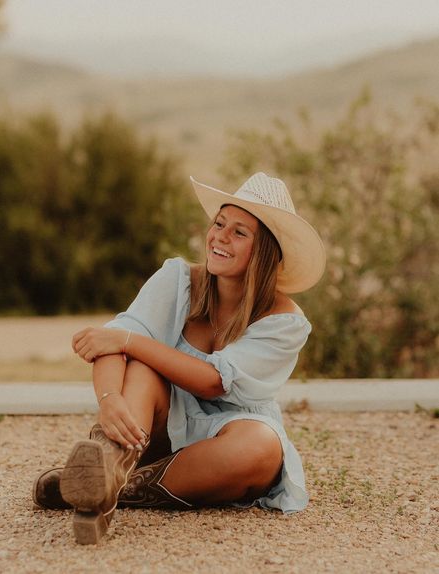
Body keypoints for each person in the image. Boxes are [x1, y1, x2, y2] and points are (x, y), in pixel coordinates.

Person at [32, 171, 326, 545]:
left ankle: (112, 489)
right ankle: (107, 461)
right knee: (141, 370)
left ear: (264, 249)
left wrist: (128, 341)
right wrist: (108, 401)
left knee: (264, 445)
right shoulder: (178, 280)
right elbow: (113, 342)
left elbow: (212, 380)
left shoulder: (284, 321)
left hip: (226, 439)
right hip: (152, 427)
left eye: (239, 232)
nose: (220, 237)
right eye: (219, 223)